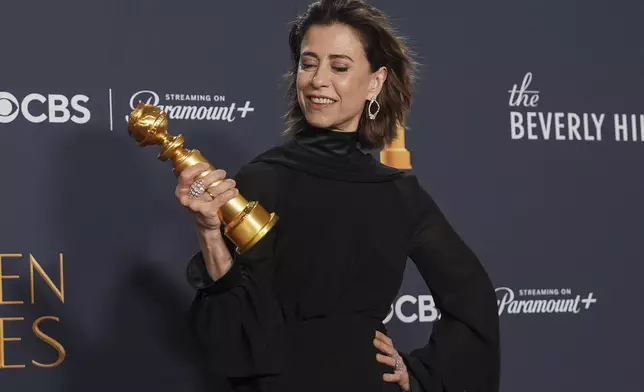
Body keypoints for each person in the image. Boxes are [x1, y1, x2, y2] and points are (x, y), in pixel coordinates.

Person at [177, 0, 500, 391]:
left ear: (375, 82)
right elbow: (236, 328)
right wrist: (210, 233)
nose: (318, 80)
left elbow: (473, 299)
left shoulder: (398, 194)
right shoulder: (264, 179)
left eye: (340, 67)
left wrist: (420, 375)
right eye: (309, 63)